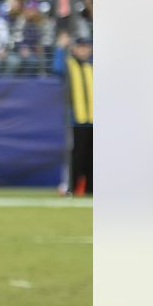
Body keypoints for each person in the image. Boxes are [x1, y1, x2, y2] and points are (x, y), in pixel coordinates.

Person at [51, 33, 92, 196]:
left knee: (92, 157)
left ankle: (90, 189)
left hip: (93, 120)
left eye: (86, 47)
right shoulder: (69, 66)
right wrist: (60, 48)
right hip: (77, 119)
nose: (84, 51)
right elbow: (57, 68)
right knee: (77, 155)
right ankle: (72, 187)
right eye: (80, 47)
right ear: (74, 49)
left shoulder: (91, 67)